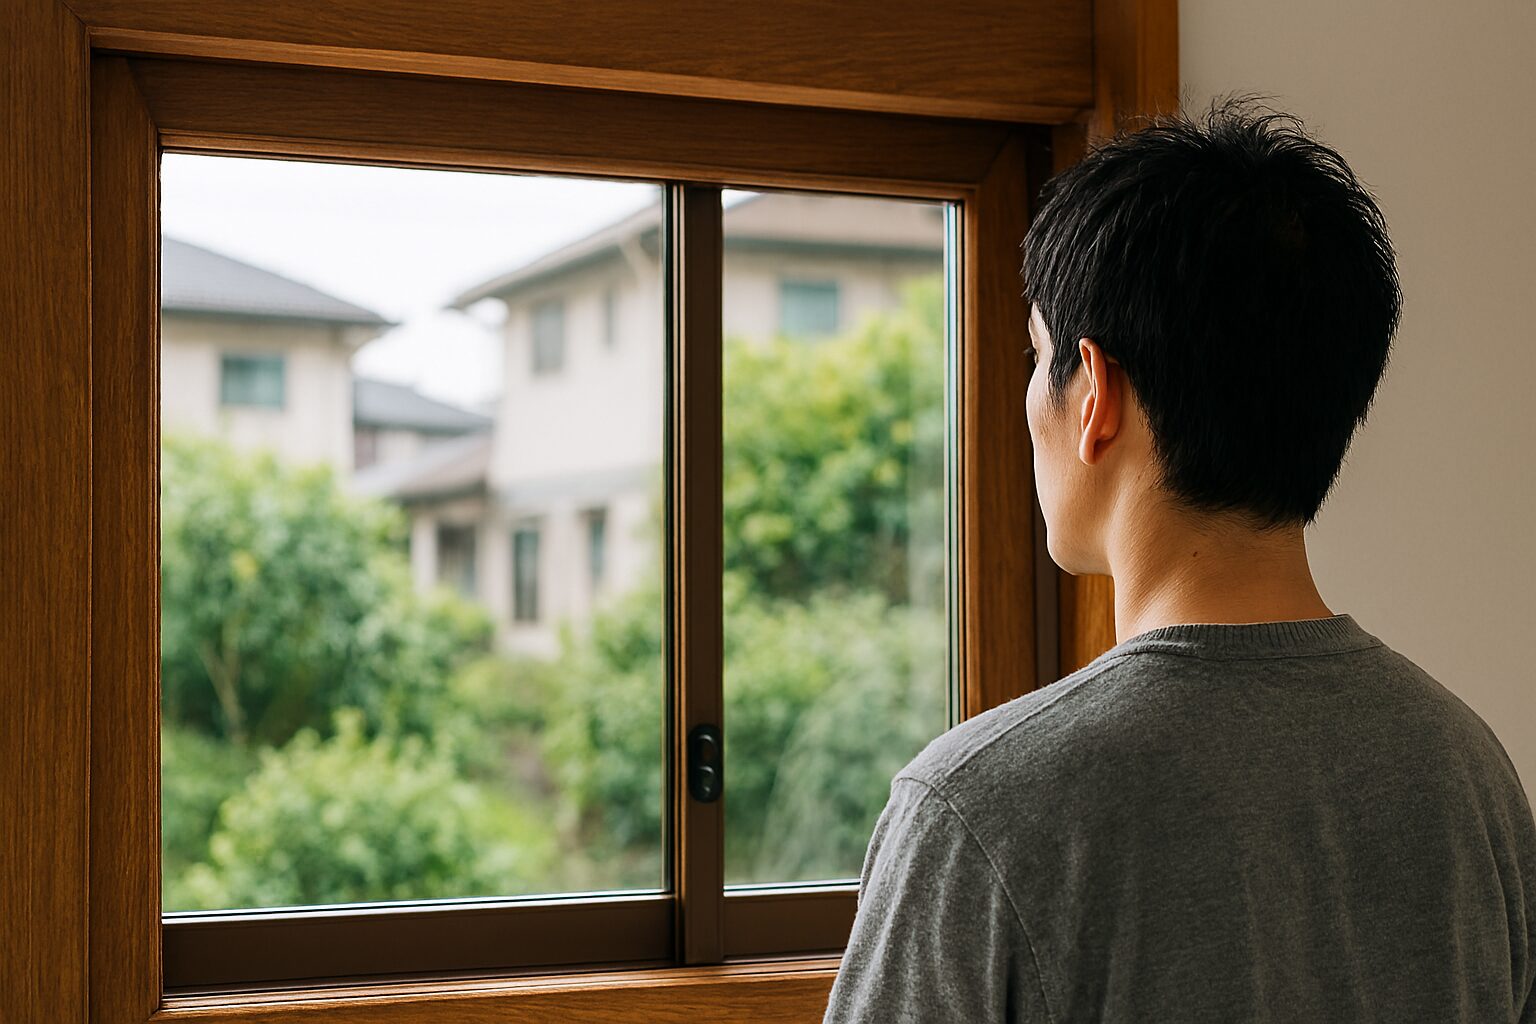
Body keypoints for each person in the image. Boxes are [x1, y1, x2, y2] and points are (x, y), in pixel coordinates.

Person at [821, 95, 1536, 1023]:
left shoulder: (978, 809)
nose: (1029, 398)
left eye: (1038, 357)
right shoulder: (1468, 775)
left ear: (1095, 394)